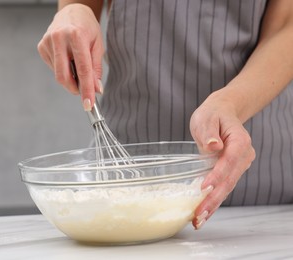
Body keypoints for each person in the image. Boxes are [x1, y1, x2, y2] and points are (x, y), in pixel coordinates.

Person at [37, 0, 293, 230]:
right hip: (123, 177)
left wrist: (231, 103)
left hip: (255, 182)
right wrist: (74, 10)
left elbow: (286, 26)